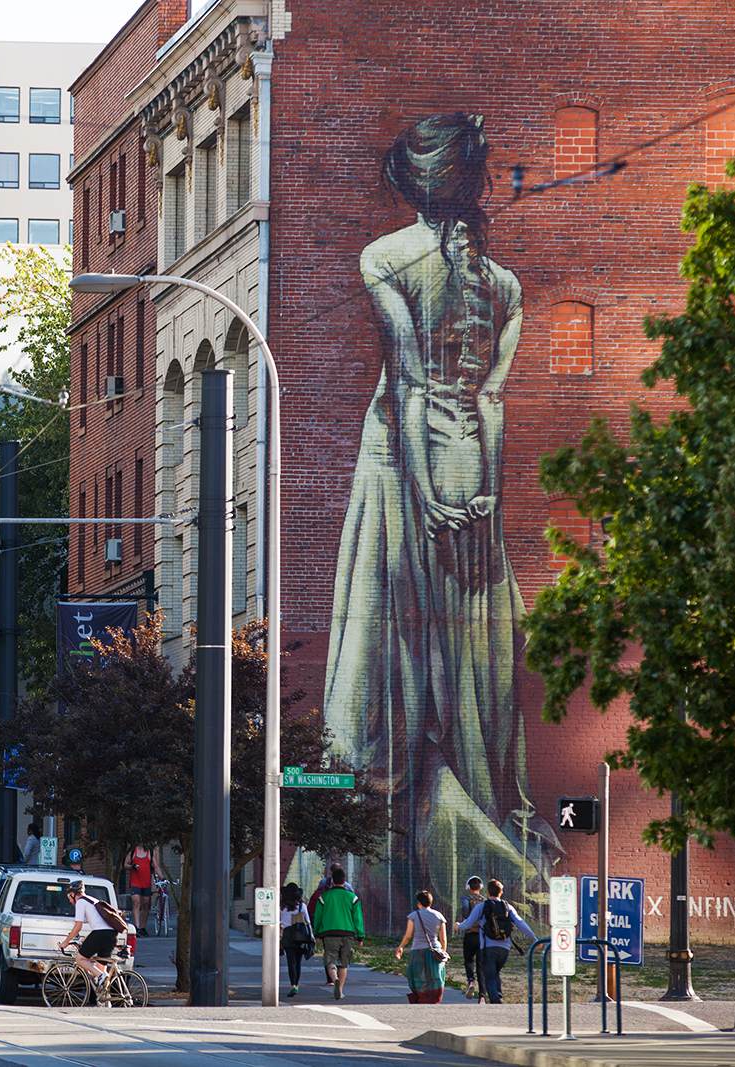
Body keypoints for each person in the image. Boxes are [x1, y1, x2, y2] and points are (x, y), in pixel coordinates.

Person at [320, 112, 561, 918]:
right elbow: (489, 401)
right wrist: (480, 500)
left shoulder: (384, 258)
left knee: (385, 644)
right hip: (472, 473)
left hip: (401, 470)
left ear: (410, 178)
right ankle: (485, 813)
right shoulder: (508, 285)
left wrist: (425, 494)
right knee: (479, 656)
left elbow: (411, 381)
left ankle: (376, 848)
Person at [456, 877, 536, 1003]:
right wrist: (534, 938)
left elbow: (468, 924)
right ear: (501, 893)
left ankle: (496, 1001)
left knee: (490, 977)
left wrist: (458, 926)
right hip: (505, 949)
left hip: (488, 948)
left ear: (487, 892)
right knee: (495, 973)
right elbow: (521, 923)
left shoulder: (482, 907)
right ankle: (498, 993)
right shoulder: (507, 907)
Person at [311, 865, 365, 1000]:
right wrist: (360, 936)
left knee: (330, 960)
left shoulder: (324, 897)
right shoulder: (353, 897)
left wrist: (316, 932)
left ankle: (333, 978)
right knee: (344, 963)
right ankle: (340, 990)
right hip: (348, 933)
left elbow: (318, 916)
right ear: (344, 881)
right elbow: (357, 918)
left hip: (329, 933)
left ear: (332, 881)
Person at [58, 881, 116, 990]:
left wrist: (66, 942)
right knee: (100, 971)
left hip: (101, 934)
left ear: (73, 894)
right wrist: (83, 940)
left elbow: (78, 926)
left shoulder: (80, 902)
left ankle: (102, 976)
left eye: (69, 897)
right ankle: (105, 1001)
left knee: (80, 959)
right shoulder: (93, 900)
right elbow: (99, 926)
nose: (69, 900)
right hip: (111, 935)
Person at [395, 889, 448, 1003]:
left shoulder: (413, 916)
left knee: (418, 977)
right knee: (435, 977)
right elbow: (443, 938)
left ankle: (420, 998)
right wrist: (443, 953)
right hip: (435, 952)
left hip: (417, 951)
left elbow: (408, 935)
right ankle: (432, 999)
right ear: (431, 902)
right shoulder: (439, 916)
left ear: (418, 902)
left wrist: (401, 946)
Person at [279, 882, 315, 998]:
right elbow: (308, 922)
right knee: (298, 962)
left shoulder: (281, 907)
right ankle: (296, 985)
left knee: (291, 962)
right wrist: (312, 937)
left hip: (287, 935)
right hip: (300, 935)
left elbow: (279, 922)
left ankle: (292, 985)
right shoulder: (301, 906)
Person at [122, 844, 165, 931]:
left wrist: (163, 878)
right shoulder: (133, 851)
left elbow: (156, 866)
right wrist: (132, 867)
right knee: (136, 903)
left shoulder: (151, 852)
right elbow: (125, 865)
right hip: (135, 882)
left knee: (145, 904)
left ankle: (143, 927)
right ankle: (137, 927)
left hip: (146, 882)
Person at [457, 875, 486, 1001]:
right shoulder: (485, 901)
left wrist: (466, 920)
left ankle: (471, 981)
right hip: (482, 936)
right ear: (481, 887)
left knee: (469, 960)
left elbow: (465, 910)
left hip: (470, 934)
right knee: (481, 966)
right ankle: (482, 997)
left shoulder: (465, 898)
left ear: (468, 887)